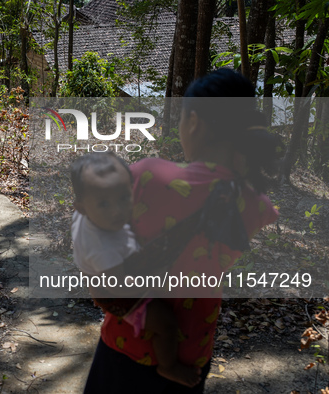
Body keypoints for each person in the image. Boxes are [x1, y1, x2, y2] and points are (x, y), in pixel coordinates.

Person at [83, 68, 281, 393]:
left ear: (194, 122)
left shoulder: (147, 175)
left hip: (127, 345)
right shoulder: (256, 204)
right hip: (192, 354)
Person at [71, 152, 202, 387]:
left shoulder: (90, 212)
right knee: (167, 325)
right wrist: (157, 279)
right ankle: (168, 366)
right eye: (104, 204)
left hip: (104, 274)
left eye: (124, 197)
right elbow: (120, 287)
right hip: (116, 292)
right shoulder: (103, 249)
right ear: (81, 207)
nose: (117, 211)